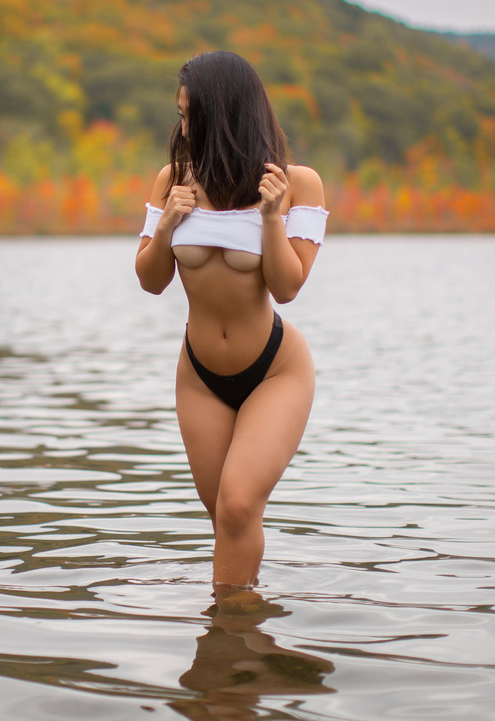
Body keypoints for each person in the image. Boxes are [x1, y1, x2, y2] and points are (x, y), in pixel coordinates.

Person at [135, 50, 327, 589]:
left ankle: (235, 633)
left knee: (240, 505)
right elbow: (151, 279)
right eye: (180, 114)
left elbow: (288, 288)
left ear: (227, 115)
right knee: (223, 516)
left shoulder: (296, 184)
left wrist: (270, 218)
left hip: (274, 370)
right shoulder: (173, 180)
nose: (184, 127)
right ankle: (232, 642)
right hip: (199, 375)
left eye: (192, 115)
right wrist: (170, 222)